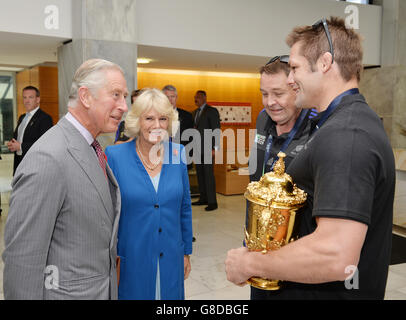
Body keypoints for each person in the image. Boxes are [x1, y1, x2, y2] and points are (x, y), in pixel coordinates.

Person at [225, 17, 395, 300]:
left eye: (294, 68)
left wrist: (250, 263)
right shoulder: (338, 125)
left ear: (325, 63)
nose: (291, 79)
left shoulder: (346, 135)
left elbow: (335, 255)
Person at [2, 58, 129, 299]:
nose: (124, 106)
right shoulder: (48, 158)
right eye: (115, 95)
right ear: (86, 96)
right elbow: (23, 260)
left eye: (124, 96)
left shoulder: (91, 146)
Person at [105, 88, 193, 300]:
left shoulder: (177, 153)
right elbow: (106, 213)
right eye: (149, 118)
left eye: (163, 118)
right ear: (137, 121)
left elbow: (184, 207)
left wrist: (186, 252)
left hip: (171, 255)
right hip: (131, 258)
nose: (157, 125)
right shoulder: (115, 157)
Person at [247, 55, 315, 299]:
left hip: (299, 258)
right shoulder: (263, 119)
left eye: (278, 93)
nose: (270, 102)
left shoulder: (317, 128)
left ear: (296, 88)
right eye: (264, 93)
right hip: (260, 250)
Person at [7, 86, 53, 175]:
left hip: (34, 167)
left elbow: (45, 145)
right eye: (24, 97)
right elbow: (19, 137)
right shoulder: (22, 117)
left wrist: (20, 146)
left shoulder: (45, 118)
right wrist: (12, 144)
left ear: (38, 99)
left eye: (30, 97)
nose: (27, 101)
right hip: (19, 165)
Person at [191, 90, 220, 211]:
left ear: (204, 98)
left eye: (197, 97)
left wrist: (215, 148)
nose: (195, 99)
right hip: (197, 149)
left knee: (208, 175)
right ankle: (203, 198)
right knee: (200, 174)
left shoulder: (212, 111)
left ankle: (212, 202)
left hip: (208, 148)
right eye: (194, 97)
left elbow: (216, 129)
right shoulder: (194, 113)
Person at [162, 85, 194, 149]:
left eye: (172, 96)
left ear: (176, 98)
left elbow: (191, 139)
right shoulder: (156, 116)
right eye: (167, 97)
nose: (170, 100)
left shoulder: (187, 116)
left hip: (181, 153)